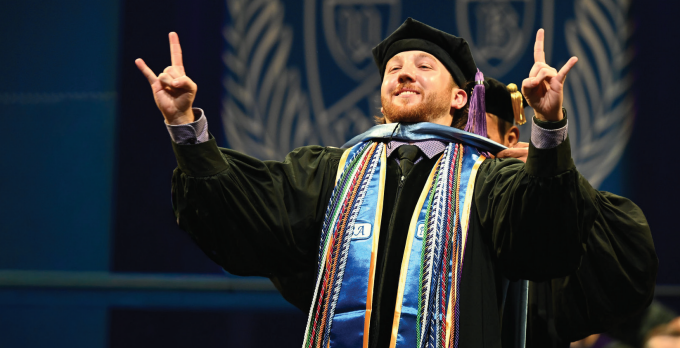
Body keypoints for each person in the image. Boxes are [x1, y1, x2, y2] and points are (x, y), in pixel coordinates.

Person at [135, 18, 655, 348]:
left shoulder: (488, 176)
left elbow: (548, 235)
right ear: (382, 94)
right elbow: (244, 210)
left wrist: (548, 131)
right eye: (394, 69)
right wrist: (184, 126)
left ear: (458, 99)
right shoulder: (333, 172)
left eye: (424, 66)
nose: (404, 73)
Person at [483, 77, 658, 348]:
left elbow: (630, 275)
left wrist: (551, 168)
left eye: (475, 133)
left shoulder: (544, 215)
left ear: (510, 139)